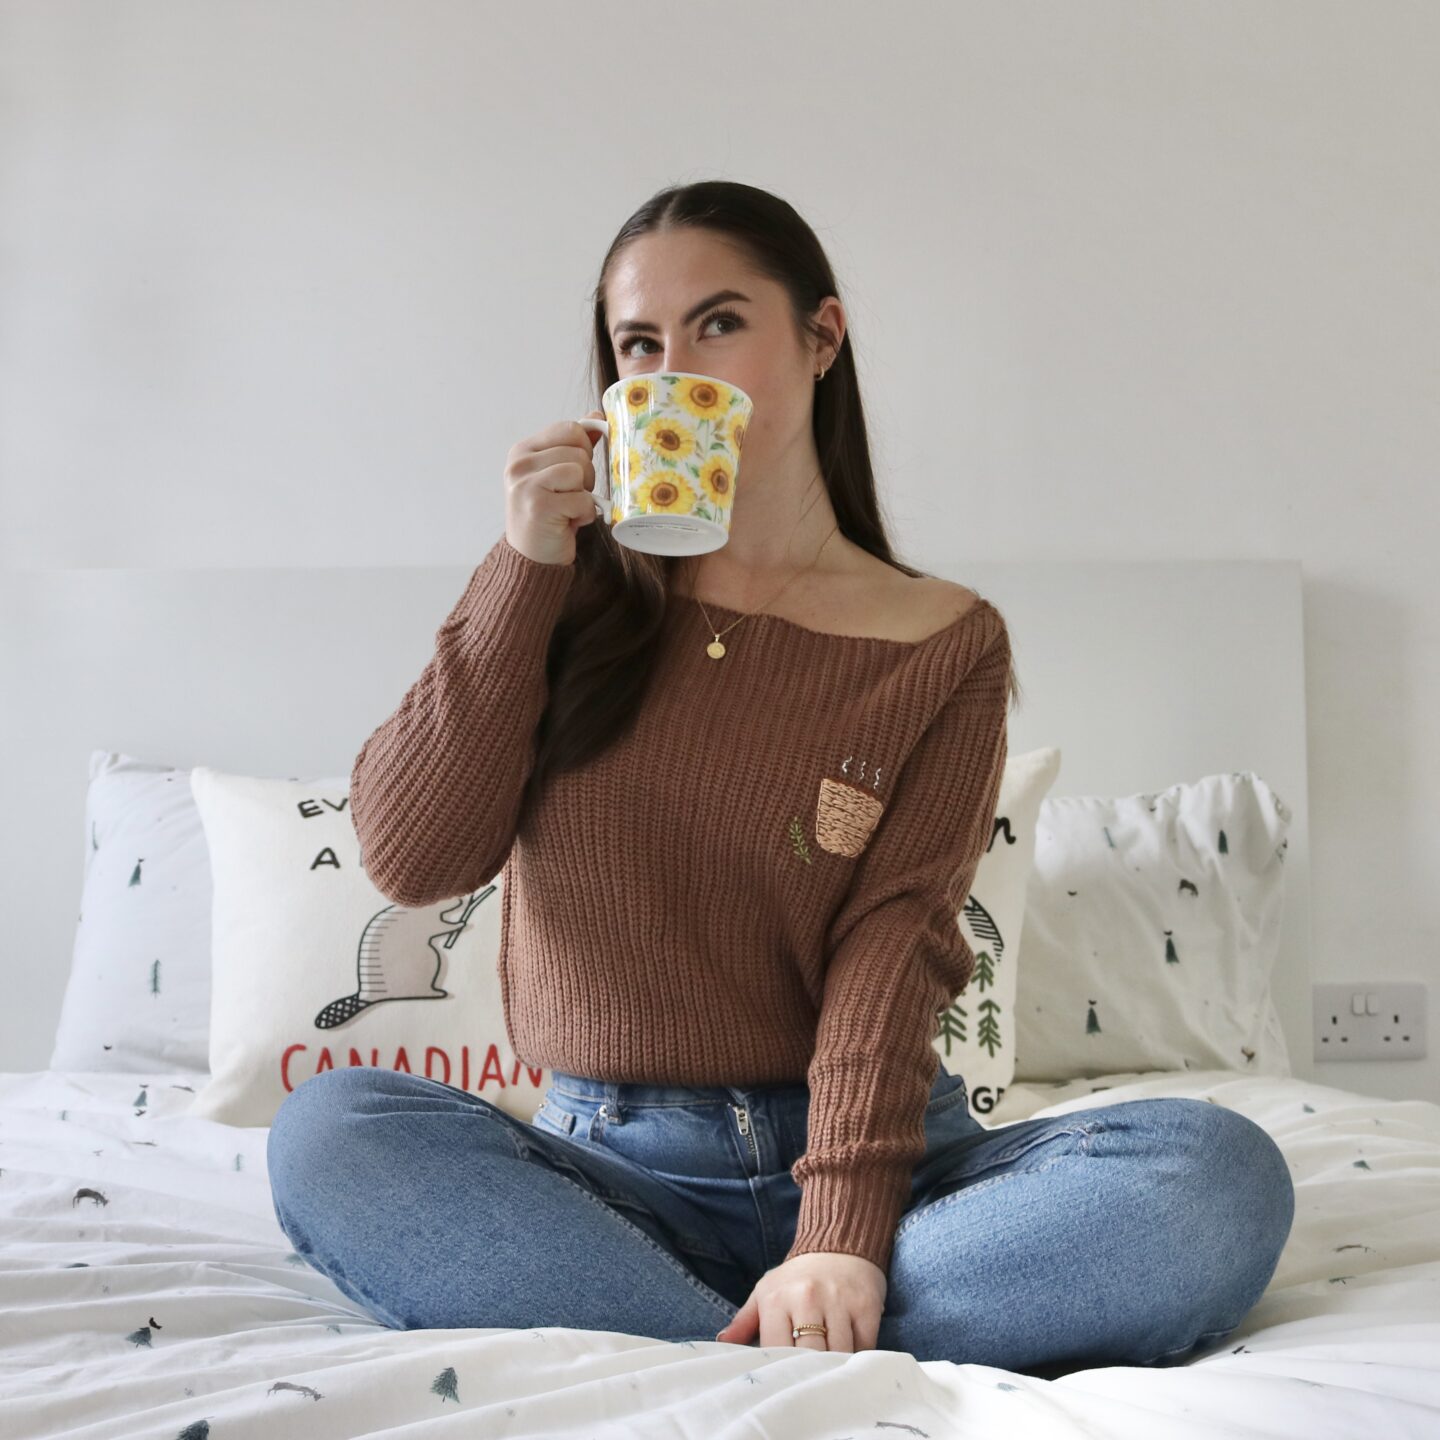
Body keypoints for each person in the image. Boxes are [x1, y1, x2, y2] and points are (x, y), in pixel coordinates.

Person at [266, 180, 1295, 1373]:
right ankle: (776, 1349)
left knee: (1217, 1178)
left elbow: (893, 942)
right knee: (331, 1133)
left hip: (889, 1176)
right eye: (638, 344)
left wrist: (844, 1236)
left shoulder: (942, 640)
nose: (670, 372)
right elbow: (411, 855)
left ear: (821, 337)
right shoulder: (566, 596)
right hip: (606, 1170)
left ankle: (710, 1341)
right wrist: (523, 567)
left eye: (718, 324)